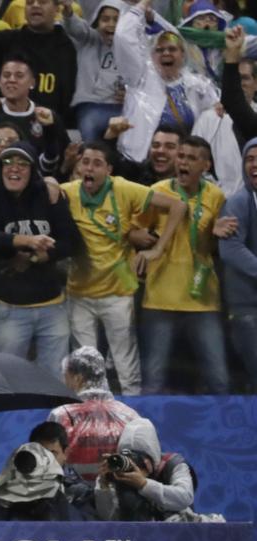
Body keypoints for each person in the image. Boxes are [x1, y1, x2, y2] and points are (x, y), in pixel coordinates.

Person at [61, 141, 187, 396]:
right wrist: (51, 184)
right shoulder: (68, 192)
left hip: (117, 292)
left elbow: (179, 205)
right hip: (79, 292)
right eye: (85, 162)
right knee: (85, 363)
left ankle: (132, 410)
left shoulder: (124, 189)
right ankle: (89, 412)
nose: (90, 168)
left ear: (108, 169)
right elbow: (45, 188)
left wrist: (158, 249)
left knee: (125, 361)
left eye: (97, 163)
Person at [0, 142, 82, 375]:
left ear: (33, 170)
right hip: (8, 305)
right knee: (9, 379)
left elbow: (72, 241)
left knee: (55, 378)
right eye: (8, 162)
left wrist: (43, 256)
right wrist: (26, 241)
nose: (15, 169)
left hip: (53, 305)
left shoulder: (48, 194)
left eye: (23, 164)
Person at [139, 136, 232, 394]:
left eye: (191, 158)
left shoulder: (216, 196)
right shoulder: (157, 192)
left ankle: (225, 432)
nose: (183, 162)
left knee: (219, 379)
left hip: (202, 300)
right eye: (181, 156)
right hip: (159, 298)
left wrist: (217, 233)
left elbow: (216, 247)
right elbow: (133, 230)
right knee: (153, 380)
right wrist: (146, 242)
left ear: (206, 165)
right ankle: (147, 433)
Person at [114, 0, 219, 164]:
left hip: (184, 165)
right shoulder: (140, 77)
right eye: (160, 50)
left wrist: (153, 17)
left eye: (172, 49)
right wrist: (141, 8)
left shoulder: (197, 84)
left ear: (183, 54)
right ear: (151, 54)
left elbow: (216, 113)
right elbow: (122, 37)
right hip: (141, 164)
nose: (166, 53)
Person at [0, 0, 78, 120]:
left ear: (57, 9)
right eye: (30, 2)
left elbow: (68, 95)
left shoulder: (67, 47)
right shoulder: (7, 41)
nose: (35, 5)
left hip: (49, 124)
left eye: (42, 2)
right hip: (6, 124)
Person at [48, 345, 140, 482]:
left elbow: (48, 465)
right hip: (119, 495)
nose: (64, 382)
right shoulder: (129, 415)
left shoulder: (61, 415)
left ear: (77, 378)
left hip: (73, 498)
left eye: (66, 376)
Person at [95, 417, 195, 521]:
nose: (133, 468)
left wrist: (144, 484)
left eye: (137, 461)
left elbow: (185, 498)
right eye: (129, 460)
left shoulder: (173, 464)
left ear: (150, 461)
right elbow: (107, 519)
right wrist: (103, 487)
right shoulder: (117, 471)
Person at [219, 137, 257, 388]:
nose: (254, 164)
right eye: (250, 159)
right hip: (247, 304)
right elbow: (230, 249)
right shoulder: (237, 202)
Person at [65, 0, 126, 141]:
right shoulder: (88, 38)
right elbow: (76, 27)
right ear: (96, 22)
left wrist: (130, 95)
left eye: (117, 20)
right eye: (105, 19)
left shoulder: (132, 48)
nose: (111, 24)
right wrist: (68, 10)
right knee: (90, 127)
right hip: (90, 106)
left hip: (121, 108)